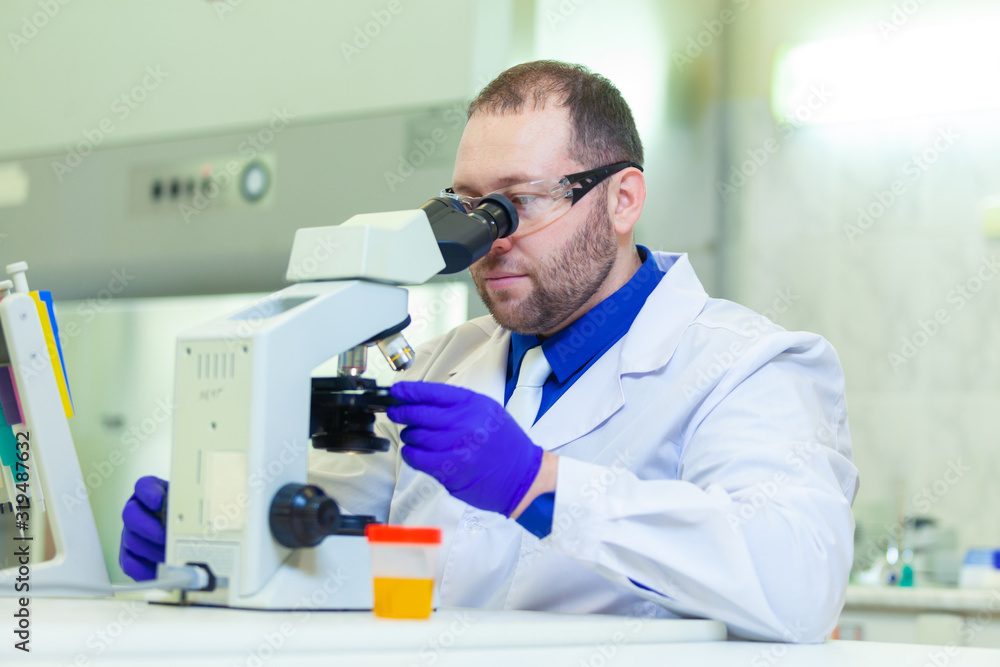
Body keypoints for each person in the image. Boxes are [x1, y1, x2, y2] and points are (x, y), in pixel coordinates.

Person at [120, 60, 858, 642]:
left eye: (516, 204)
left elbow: (798, 582)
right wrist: (215, 533)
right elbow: (327, 538)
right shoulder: (441, 362)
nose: (488, 240)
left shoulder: (749, 366)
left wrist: (540, 484)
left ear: (622, 199)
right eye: (471, 208)